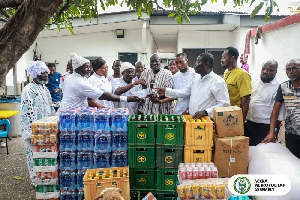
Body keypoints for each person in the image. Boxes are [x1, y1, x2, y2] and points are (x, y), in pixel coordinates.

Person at [156, 53, 230, 119]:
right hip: (193, 120)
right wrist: (166, 91)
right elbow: (184, 92)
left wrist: (205, 112)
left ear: (206, 64)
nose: (195, 64)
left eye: (198, 61)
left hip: (207, 121)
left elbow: (224, 104)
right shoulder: (196, 78)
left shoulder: (217, 82)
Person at [59, 53, 140, 111]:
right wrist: (126, 99)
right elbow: (102, 96)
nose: (88, 69)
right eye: (86, 67)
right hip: (72, 112)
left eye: (88, 67)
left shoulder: (72, 77)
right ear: (78, 68)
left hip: (73, 111)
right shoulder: (84, 81)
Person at [20, 61, 55, 186]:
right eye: (43, 73)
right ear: (35, 74)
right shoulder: (28, 90)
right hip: (34, 132)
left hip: (45, 131)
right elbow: (26, 113)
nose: (46, 75)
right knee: (34, 157)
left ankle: (45, 179)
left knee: (45, 156)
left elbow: (50, 108)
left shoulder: (44, 88)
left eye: (46, 72)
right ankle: (36, 182)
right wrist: (30, 132)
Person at [264, 59, 300, 158]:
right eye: (288, 69)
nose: (290, 71)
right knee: (294, 162)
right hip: (291, 133)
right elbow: (275, 110)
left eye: (294, 68)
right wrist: (272, 132)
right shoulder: (283, 87)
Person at [245, 59, 285, 146]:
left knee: (260, 153)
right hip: (249, 123)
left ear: (276, 71)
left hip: (264, 127)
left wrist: (272, 131)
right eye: (264, 69)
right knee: (247, 152)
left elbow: (280, 114)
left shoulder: (280, 86)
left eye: (270, 70)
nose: (265, 72)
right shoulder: (255, 82)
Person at [221, 46, 251, 121]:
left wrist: (241, 122)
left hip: (235, 117)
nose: (221, 60)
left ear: (232, 58)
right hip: (226, 115)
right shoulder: (226, 72)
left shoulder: (242, 75)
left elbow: (246, 100)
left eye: (224, 57)